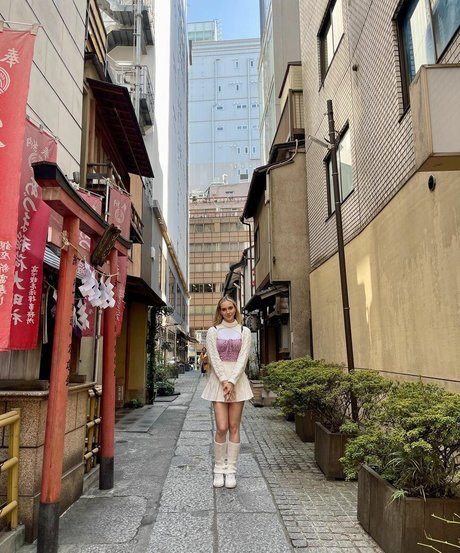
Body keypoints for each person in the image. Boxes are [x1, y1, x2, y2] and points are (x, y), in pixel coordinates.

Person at [201, 296, 253, 489]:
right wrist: (224, 380)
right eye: (223, 309)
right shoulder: (213, 331)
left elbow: (243, 358)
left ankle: (231, 470)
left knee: (234, 426)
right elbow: (214, 358)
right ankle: (218, 468)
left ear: (235, 309)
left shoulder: (244, 331)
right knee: (221, 427)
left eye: (230, 308)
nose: (228, 312)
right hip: (218, 382)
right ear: (219, 311)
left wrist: (232, 381)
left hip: (238, 382)